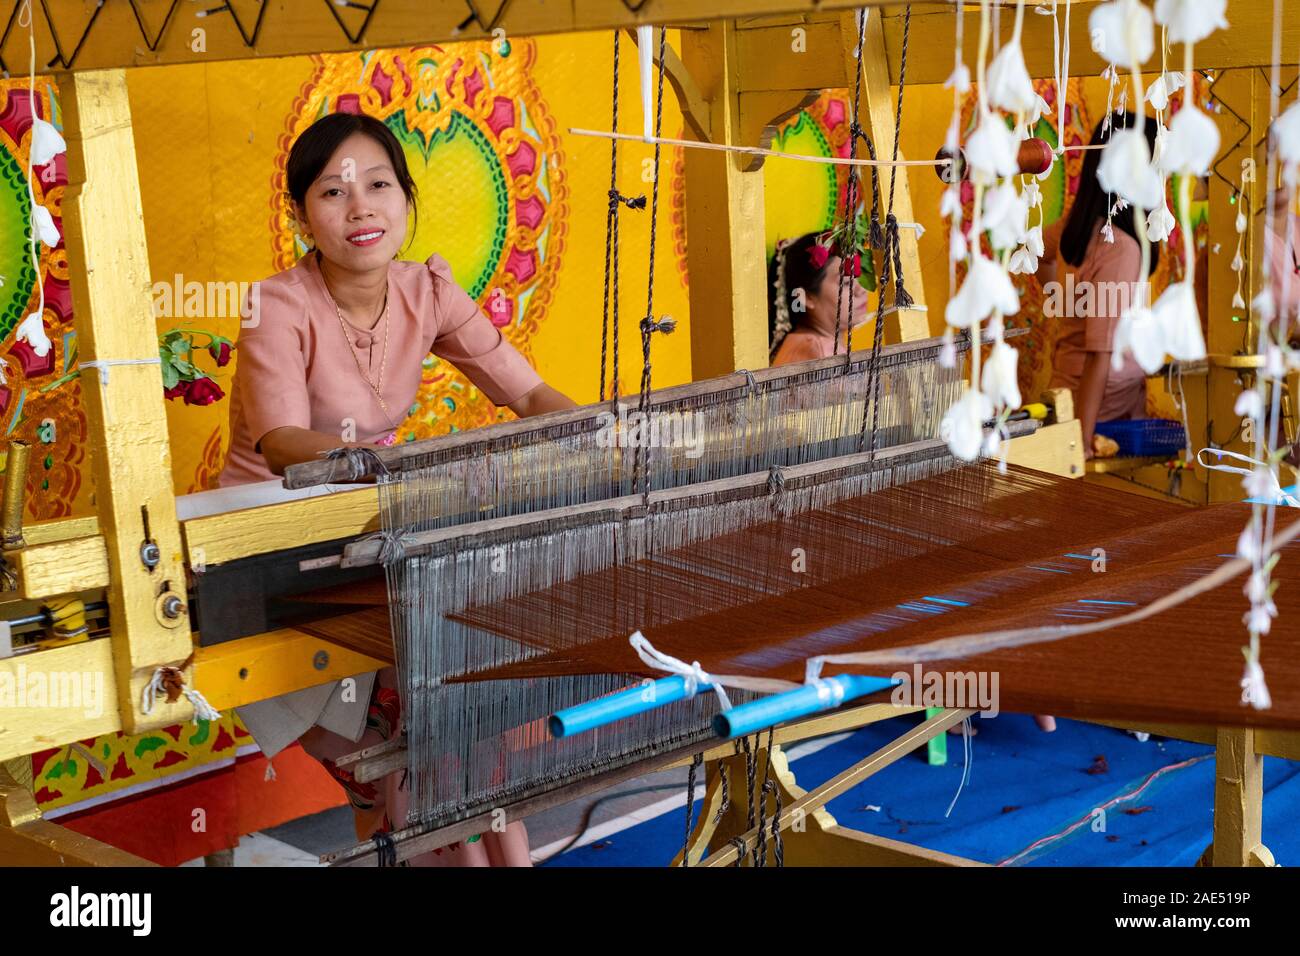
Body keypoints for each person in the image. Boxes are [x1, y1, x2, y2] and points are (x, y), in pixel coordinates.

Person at [220, 111, 576, 865]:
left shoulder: (428, 292)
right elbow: (282, 444)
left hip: (373, 526)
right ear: (300, 214)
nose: (361, 210)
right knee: (409, 707)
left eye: (378, 185)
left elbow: (530, 393)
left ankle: (454, 830)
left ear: (407, 200)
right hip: (272, 538)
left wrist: (610, 434)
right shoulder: (275, 307)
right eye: (333, 192)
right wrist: (398, 473)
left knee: (452, 692)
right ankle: (405, 808)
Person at [1038, 111, 1161, 458]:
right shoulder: (1120, 248)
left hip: (1073, 387)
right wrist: (1083, 437)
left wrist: (1064, 305)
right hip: (1097, 404)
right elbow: (1099, 354)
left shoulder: (1076, 227)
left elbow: (1031, 253)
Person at [768, 232, 872, 365]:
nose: (861, 290)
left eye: (858, 276)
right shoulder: (817, 350)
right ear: (806, 297)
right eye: (846, 283)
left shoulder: (806, 343)